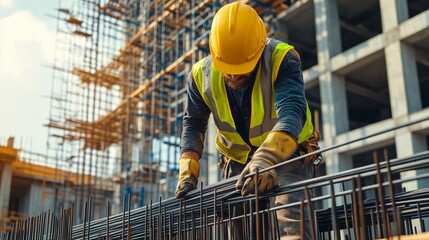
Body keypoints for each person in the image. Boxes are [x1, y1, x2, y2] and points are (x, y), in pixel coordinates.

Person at [175, 2, 320, 239]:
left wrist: (265, 160)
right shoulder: (200, 75)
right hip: (237, 158)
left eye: (241, 68)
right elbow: (193, 124)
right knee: (240, 225)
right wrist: (188, 170)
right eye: (228, 68)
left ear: (259, 48)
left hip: (285, 152)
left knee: (292, 219)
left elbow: (292, 112)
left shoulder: (281, 58)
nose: (233, 75)